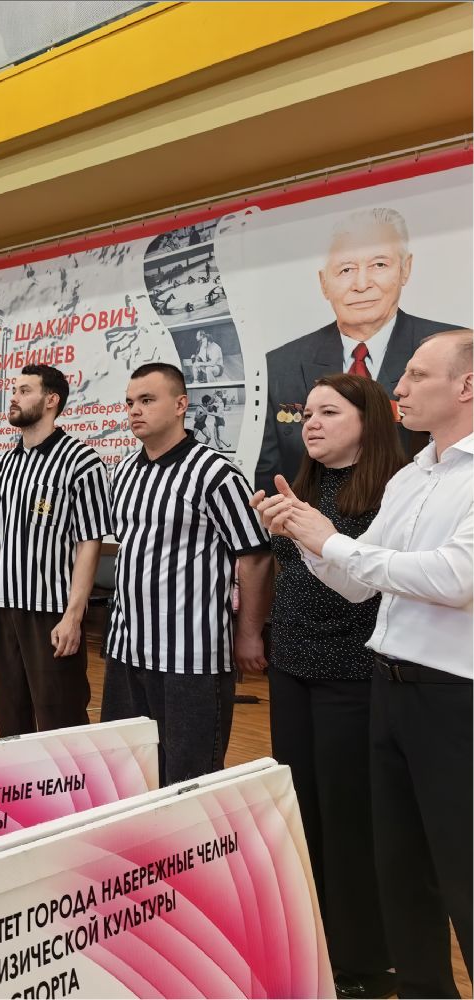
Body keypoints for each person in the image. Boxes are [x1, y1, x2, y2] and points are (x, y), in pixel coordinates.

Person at [253, 330, 472, 1000]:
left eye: (416, 375)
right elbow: (355, 583)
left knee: (460, 869)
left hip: (453, 695)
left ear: (466, 386)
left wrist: (331, 542)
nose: (398, 388)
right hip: (389, 684)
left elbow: (456, 577)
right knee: (400, 866)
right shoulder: (412, 476)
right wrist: (304, 533)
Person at [255, 373, 405, 1000]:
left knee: (350, 817)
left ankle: (366, 961)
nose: (310, 424)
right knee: (299, 807)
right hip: (293, 665)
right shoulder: (305, 487)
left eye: (328, 413)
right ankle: (310, 940)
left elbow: (361, 587)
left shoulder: (393, 491)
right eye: (306, 413)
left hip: (352, 673)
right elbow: (286, 572)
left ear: (368, 421)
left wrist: (311, 533)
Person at [100, 363, 272, 785]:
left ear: (181, 405)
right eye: (130, 402)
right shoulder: (123, 472)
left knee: (189, 778)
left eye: (147, 400)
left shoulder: (215, 473)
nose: (135, 410)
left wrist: (249, 633)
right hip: (126, 649)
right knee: (129, 773)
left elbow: (255, 556)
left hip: (190, 657)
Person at [256, 206, 463, 492]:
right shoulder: (280, 364)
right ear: (324, 283)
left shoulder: (455, 348)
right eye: (346, 270)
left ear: (405, 269)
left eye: (379, 265)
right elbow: (269, 474)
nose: (362, 285)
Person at [0, 365, 110, 736]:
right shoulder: (3, 465)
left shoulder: (82, 461)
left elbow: (89, 543)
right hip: (1, 609)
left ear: (51, 400)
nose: (14, 398)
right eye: (14, 390)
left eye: (25, 391)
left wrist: (74, 616)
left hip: (50, 610)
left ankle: (72, 778)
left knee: (61, 719)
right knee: (10, 717)